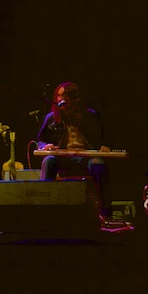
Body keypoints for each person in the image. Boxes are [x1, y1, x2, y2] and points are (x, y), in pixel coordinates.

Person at [36, 81, 111, 214]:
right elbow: (40, 140)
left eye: (65, 96)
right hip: (63, 158)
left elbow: (103, 137)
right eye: (59, 96)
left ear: (74, 98)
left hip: (85, 157)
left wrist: (104, 147)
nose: (61, 99)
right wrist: (45, 146)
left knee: (98, 164)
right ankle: (45, 210)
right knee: (48, 161)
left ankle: (105, 211)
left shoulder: (90, 116)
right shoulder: (51, 118)